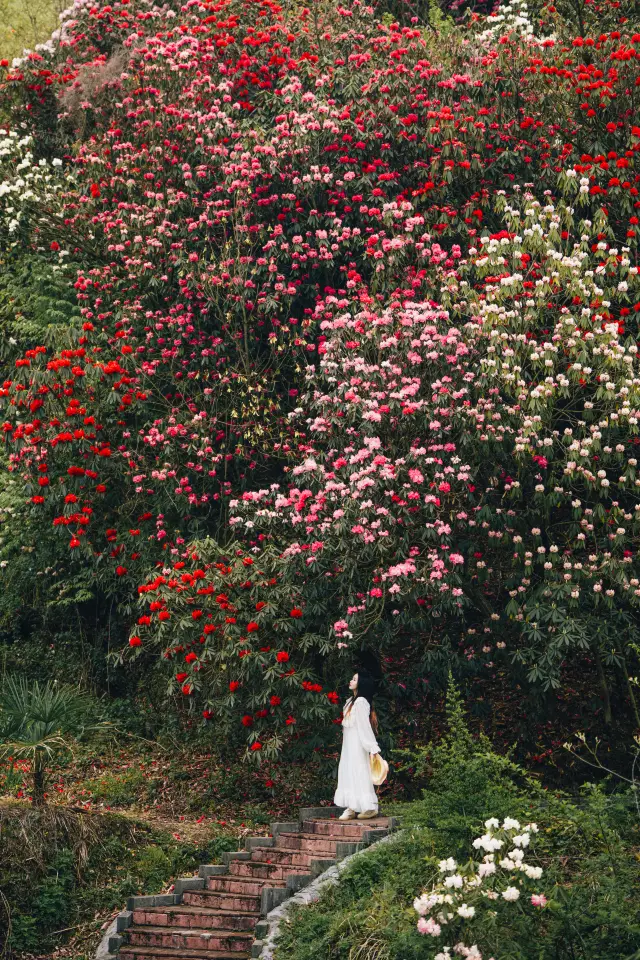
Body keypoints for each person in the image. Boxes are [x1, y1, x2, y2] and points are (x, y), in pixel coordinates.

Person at [334, 670, 381, 820]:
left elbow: (364, 726)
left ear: (361, 684)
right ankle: (352, 806)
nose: (351, 681)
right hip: (348, 744)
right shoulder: (350, 702)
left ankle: (369, 807)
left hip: (359, 744)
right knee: (348, 771)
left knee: (359, 771)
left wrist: (372, 747)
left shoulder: (361, 702)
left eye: (354, 679)